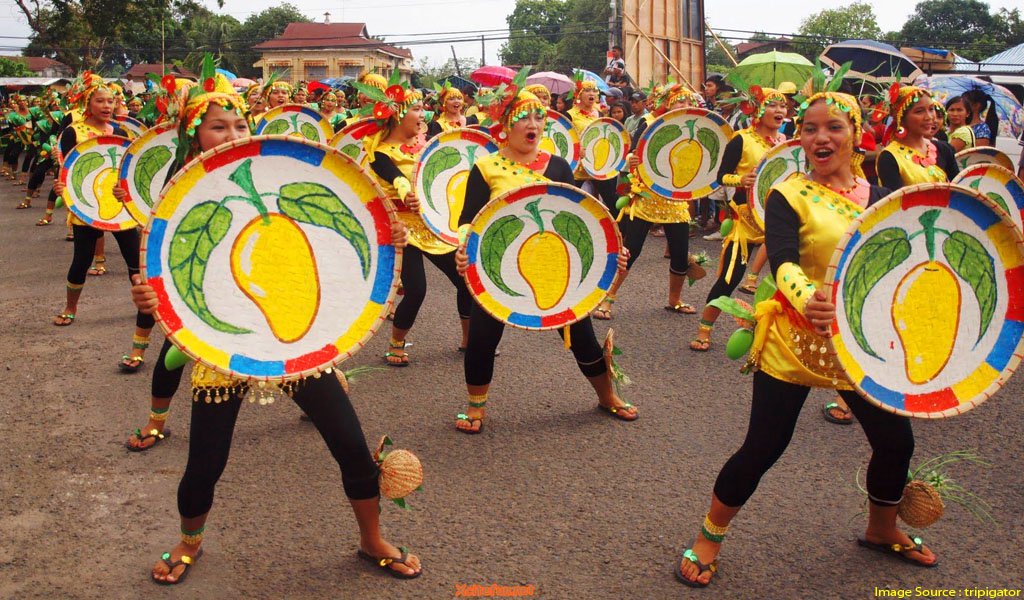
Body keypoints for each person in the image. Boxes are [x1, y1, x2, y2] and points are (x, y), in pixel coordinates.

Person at [675, 90, 934, 589]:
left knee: (895, 442)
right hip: (795, 338)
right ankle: (710, 536)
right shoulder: (788, 193)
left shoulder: (883, 198)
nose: (820, 137)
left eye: (834, 127)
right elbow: (783, 256)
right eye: (810, 128)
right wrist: (807, 295)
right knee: (765, 444)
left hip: (860, 344)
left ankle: (881, 528)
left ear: (856, 134)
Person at [452, 82, 637, 434]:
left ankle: (607, 396)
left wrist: (611, 254)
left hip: (554, 268)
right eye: (524, 118)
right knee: (481, 339)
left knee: (582, 336)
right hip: (497, 270)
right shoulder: (487, 168)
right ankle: (475, 408)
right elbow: (467, 221)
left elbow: (580, 217)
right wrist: (465, 249)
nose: (534, 124)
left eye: (539, 116)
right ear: (506, 124)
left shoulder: (557, 167)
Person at [357, 75, 473, 366]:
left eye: (423, 109)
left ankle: (468, 340)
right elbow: (393, 176)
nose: (424, 115)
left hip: (433, 225)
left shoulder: (427, 148)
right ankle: (396, 343)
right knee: (417, 289)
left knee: (465, 280)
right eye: (417, 109)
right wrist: (406, 191)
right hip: (402, 228)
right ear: (397, 114)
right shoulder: (379, 151)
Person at [50, 73, 153, 373]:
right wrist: (61, 188)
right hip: (88, 205)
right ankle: (71, 307)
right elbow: (67, 167)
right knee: (81, 259)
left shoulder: (122, 130)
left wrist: (128, 190)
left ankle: (142, 318)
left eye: (111, 100)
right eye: (101, 101)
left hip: (119, 207)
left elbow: (128, 166)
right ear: (88, 103)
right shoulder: (73, 131)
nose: (107, 105)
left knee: (137, 261)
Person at [690, 86, 787, 352]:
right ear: (756, 109)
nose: (779, 111)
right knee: (730, 278)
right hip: (746, 219)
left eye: (783, 106)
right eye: (773, 105)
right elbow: (721, 175)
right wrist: (741, 180)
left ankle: (777, 336)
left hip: (777, 222)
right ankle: (704, 329)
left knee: (787, 280)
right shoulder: (742, 139)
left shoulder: (787, 143)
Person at [594, 83, 702, 320]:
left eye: (689, 103)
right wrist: (633, 159)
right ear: (668, 104)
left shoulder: (695, 130)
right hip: (647, 197)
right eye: (680, 102)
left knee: (680, 252)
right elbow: (633, 152)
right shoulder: (650, 123)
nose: (685, 106)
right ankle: (607, 299)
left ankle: (674, 300)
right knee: (631, 251)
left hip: (675, 200)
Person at [876, 86, 958, 190]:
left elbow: (960, 192)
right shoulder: (889, 157)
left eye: (931, 109)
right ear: (901, 117)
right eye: (919, 111)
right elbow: (896, 203)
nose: (929, 117)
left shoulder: (944, 149)